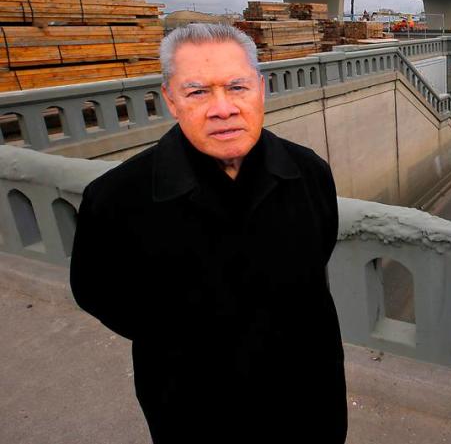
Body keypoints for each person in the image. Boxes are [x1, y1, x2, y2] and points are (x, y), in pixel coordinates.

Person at [70, 23, 345, 443]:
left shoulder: (309, 172)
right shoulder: (116, 198)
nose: (223, 108)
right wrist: (185, 338)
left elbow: (318, 256)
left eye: (237, 87)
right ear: (170, 100)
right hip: (193, 412)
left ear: (261, 89)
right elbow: (96, 292)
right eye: (198, 92)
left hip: (307, 402)